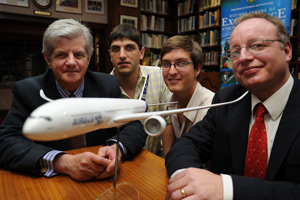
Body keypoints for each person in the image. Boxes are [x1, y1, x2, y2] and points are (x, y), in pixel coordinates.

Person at [165, 12, 300, 200]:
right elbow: (187, 145)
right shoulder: (226, 100)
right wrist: (185, 180)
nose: (243, 57)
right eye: (235, 51)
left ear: (286, 51)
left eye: (257, 45)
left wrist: (227, 188)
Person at [0, 19, 146, 181]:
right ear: (48, 59)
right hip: (57, 182)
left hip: (104, 177)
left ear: (88, 58)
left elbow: (133, 124)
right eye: (61, 55)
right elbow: (6, 141)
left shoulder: (108, 85)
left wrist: (117, 147)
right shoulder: (28, 91)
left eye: (78, 55)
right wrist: (62, 162)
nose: (71, 62)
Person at [108, 23, 170, 156]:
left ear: (141, 53)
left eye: (129, 48)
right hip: (119, 165)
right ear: (110, 55)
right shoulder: (103, 88)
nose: (122, 55)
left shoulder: (159, 77)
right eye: (116, 49)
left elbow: (168, 121)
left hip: (154, 162)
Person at [160, 35, 214, 156]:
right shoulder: (169, 100)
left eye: (181, 63)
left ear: (197, 69)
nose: (172, 72)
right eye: (166, 64)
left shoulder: (210, 108)